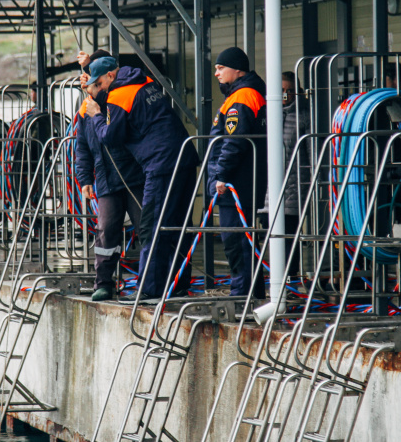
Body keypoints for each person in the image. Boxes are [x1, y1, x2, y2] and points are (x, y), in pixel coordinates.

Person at [85, 56, 200, 300]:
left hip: (161, 163)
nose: (100, 90)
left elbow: (110, 136)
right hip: (184, 157)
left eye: (100, 84)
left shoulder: (119, 95)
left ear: (111, 77)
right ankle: (177, 283)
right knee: (177, 224)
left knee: (151, 227)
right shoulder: (145, 81)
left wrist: (96, 114)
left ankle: (149, 289)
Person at [74, 50, 145, 301]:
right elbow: (81, 147)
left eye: (94, 81)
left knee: (145, 226)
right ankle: (103, 283)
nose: (90, 86)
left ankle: (151, 282)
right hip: (105, 180)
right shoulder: (85, 109)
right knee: (106, 231)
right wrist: (85, 179)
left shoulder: (119, 100)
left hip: (134, 176)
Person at [208, 47, 268, 298]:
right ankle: (250, 291)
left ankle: (242, 294)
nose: (216, 73)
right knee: (238, 236)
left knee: (235, 238)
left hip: (237, 178)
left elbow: (234, 140)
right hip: (240, 176)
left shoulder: (243, 96)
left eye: (221, 68)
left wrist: (221, 175)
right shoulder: (239, 94)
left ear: (238, 70)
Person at [259, 71, 312, 277]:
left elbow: (313, 153)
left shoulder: (304, 116)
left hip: (292, 187)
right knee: (267, 236)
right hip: (267, 191)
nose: (285, 95)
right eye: (281, 90)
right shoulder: (265, 115)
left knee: (289, 239)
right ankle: (273, 281)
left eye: (290, 90)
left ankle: (289, 281)